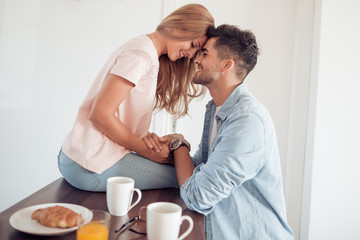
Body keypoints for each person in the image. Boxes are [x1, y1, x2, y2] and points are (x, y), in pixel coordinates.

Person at [144, 25, 294, 239]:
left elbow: (199, 196)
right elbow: (201, 170)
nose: (195, 59)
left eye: (204, 53)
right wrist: (171, 148)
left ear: (226, 65)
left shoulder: (247, 120)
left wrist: (178, 145)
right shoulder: (216, 109)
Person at [57, 4, 214, 192]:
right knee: (186, 179)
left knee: (183, 169)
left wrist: (148, 141)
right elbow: (100, 115)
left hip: (83, 157)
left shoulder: (146, 52)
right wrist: (146, 151)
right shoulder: (142, 54)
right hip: (87, 166)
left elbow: (117, 112)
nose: (190, 54)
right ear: (178, 27)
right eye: (193, 45)